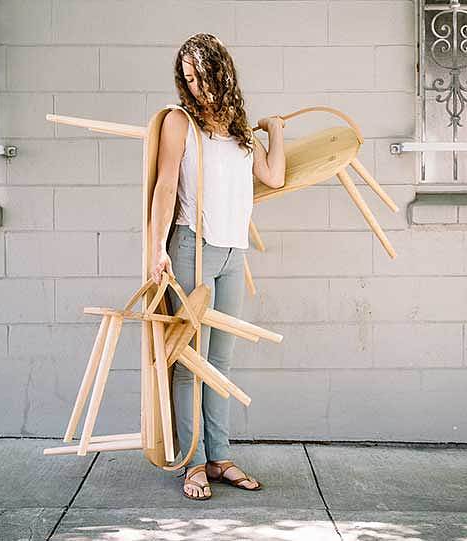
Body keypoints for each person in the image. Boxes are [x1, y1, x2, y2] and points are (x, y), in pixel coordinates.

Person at [149, 33, 286, 500]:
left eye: (200, 75)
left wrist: (276, 131)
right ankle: (190, 465)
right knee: (188, 362)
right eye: (187, 78)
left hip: (232, 252)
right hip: (190, 246)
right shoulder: (179, 122)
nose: (194, 85)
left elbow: (274, 176)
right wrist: (156, 249)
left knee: (220, 362)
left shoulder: (239, 129)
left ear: (220, 71)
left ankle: (220, 457)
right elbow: (165, 186)